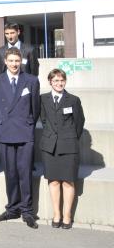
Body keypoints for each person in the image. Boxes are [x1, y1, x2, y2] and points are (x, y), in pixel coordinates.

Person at [0, 47, 40, 229]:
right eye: (10, 61)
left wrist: (27, 123)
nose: (14, 64)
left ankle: (27, 210)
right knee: (10, 172)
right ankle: (12, 208)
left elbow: (35, 109)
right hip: (4, 131)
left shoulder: (32, 80)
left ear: (22, 62)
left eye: (17, 61)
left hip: (24, 132)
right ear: (5, 62)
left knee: (25, 172)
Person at [40, 69, 84, 229]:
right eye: (56, 81)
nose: (59, 83)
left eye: (61, 81)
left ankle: (67, 215)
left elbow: (79, 122)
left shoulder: (73, 100)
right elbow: (43, 120)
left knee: (68, 182)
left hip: (69, 146)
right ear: (50, 82)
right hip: (49, 146)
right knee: (53, 181)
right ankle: (56, 213)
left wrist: (69, 137)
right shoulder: (43, 99)